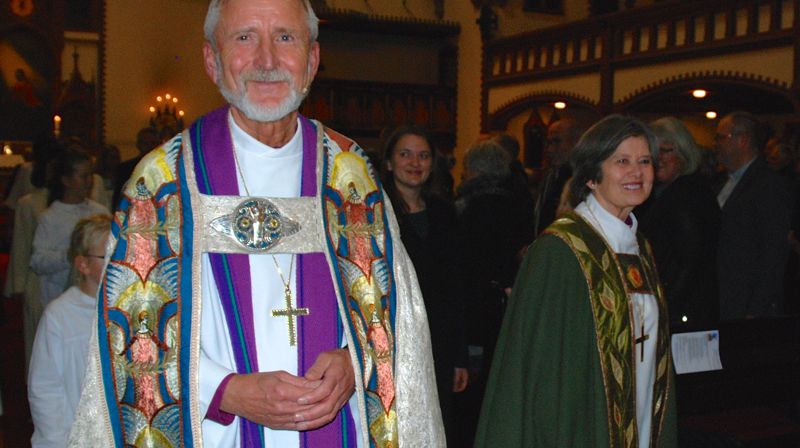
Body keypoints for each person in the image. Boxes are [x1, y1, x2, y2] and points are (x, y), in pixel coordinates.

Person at [69, 0, 444, 446]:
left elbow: (397, 316)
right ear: (212, 59)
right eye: (245, 37)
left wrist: (355, 360)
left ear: (313, 59)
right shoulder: (163, 183)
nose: (267, 60)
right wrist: (225, 390)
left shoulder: (351, 177)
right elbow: (129, 335)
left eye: (285, 37)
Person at [475, 115, 677, 448]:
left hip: (640, 416)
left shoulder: (640, 247)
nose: (637, 173)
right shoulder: (561, 250)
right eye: (622, 161)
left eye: (644, 161)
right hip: (578, 422)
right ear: (592, 177)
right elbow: (542, 370)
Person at [380, 126, 468, 443]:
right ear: (389, 162)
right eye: (405, 154)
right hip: (394, 339)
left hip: (440, 342)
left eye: (423, 155)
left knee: (439, 421)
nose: (415, 163)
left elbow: (456, 286)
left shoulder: (445, 212)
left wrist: (460, 356)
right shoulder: (376, 213)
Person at [28, 214, 112, 448]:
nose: (116, 261)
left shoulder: (128, 308)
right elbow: (45, 388)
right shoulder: (60, 315)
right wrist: (55, 441)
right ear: (83, 264)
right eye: (107, 256)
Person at [638, 117, 720, 326]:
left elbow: (690, 262)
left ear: (683, 153)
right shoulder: (674, 191)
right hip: (686, 307)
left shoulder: (685, 194)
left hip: (684, 312)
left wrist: (664, 308)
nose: (658, 159)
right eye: (653, 153)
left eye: (666, 150)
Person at [715, 111, 793, 319]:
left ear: (743, 140)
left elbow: (773, 252)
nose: (717, 144)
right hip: (723, 298)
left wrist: (756, 308)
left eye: (722, 137)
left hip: (746, 303)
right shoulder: (723, 181)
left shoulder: (767, 185)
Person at [30, 149, 107, 310]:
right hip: (59, 297)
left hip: (96, 297)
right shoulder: (51, 217)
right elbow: (38, 261)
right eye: (83, 176)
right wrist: (69, 255)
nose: (89, 181)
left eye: (90, 176)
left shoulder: (99, 212)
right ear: (66, 180)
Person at [533, 117, 587, 236]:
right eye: (548, 143)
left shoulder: (584, 179)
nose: (549, 149)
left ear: (576, 142)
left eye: (556, 142)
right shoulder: (550, 174)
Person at [112, 127, 160, 207]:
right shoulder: (125, 168)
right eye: (146, 143)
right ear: (138, 144)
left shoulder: (163, 168)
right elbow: (119, 197)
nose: (150, 147)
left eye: (153, 143)